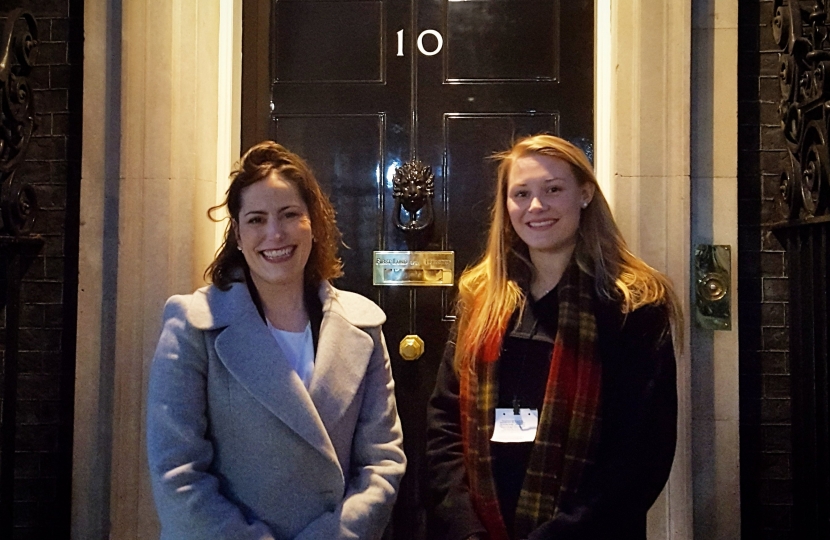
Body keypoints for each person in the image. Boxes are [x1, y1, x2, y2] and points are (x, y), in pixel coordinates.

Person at [146, 141, 406, 540]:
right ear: (236, 233)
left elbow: (382, 463)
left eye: (289, 215)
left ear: (313, 223)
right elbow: (177, 472)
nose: (274, 233)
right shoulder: (192, 325)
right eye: (256, 219)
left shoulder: (363, 325)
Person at [426, 135, 680, 540]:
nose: (536, 206)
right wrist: (466, 529)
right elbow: (444, 425)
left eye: (553, 189)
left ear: (585, 194)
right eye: (521, 193)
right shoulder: (480, 298)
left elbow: (640, 454)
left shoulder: (634, 306)